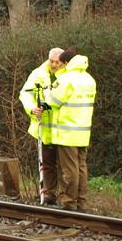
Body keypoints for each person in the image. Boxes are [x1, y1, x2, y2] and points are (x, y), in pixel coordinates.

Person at [44, 49, 96, 211]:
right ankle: (80, 202)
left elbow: (53, 101)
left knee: (69, 169)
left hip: (67, 131)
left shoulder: (66, 79)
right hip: (83, 130)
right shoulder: (89, 79)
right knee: (81, 167)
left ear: (66, 63)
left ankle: (68, 202)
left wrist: (47, 93)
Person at [19, 48, 64, 205]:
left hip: (62, 127)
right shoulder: (38, 74)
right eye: (51, 61)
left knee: (64, 164)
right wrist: (32, 108)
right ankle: (49, 194)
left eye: (56, 62)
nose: (53, 64)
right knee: (46, 163)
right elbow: (25, 93)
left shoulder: (68, 75)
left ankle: (63, 195)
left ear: (63, 62)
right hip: (43, 126)